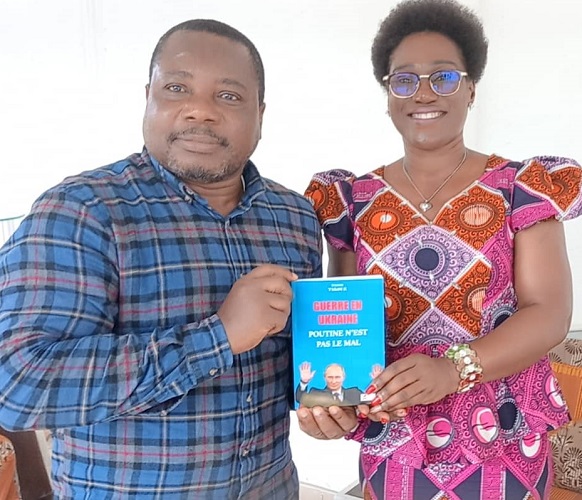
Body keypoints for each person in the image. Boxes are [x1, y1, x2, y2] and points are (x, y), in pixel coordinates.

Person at [0, 19, 322, 499]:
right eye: (177, 88)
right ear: (148, 97)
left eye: (229, 96)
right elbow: (18, 384)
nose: (201, 111)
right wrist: (218, 336)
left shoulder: (294, 216)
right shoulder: (84, 210)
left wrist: (327, 403)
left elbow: (301, 360)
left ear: (260, 113)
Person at [297, 0, 582, 498]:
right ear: (388, 94)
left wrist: (454, 370)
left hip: (502, 435)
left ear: (471, 89)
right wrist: (328, 406)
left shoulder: (521, 190)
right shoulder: (352, 202)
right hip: (397, 437)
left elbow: (549, 314)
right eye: (404, 80)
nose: (423, 92)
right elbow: (342, 329)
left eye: (444, 77)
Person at [295, 362, 363, 406]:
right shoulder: (316, 393)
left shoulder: (355, 393)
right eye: (330, 377)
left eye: (337, 377)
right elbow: (300, 399)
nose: (333, 381)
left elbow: (368, 400)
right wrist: (304, 382)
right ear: (325, 377)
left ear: (343, 377)